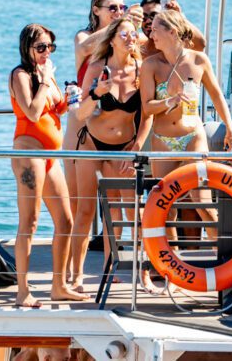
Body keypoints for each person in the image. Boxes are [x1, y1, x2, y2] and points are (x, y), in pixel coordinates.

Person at [62, 0, 143, 268]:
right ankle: (72, 271)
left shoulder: (123, 41)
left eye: (122, 8)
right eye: (112, 8)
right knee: (78, 207)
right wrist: (120, 26)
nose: (118, 13)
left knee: (116, 208)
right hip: (81, 124)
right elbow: (86, 48)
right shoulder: (85, 37)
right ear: (96, 10)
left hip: (114, 128)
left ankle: (112, 268)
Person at [70, 17, 152, 292]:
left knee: (131, 213)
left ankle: (142, 275)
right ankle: (77, 276)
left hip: (125, 148)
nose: (131, 39)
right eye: (125, 34)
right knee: (85, 210)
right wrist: (96, 93)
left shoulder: (142, 69)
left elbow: (147, 114)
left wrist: (138, 145)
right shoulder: (97, 68)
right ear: (113, 39)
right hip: (92, 144)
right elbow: (81, 114)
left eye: (133, 34)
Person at [9, 24, 87, 307]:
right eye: (41, 47)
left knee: (65, 220)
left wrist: (69, 98)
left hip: (52, 156)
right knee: (29, 222)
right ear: (27, 48)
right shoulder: (21, 75)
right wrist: (44, 81)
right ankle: (22, 290)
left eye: (50, 47)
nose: (46, 53)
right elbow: (31, 111)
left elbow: (56, 108)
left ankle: (59, 284)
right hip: (29, 153)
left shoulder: (47, 74)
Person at [141, 10, 232, 231]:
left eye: (155, 29)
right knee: (165, 207)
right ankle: (168, 263)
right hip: (163, 140)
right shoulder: (151, 65)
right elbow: (147, 107)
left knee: (202, 203)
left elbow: (217, 96)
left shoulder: (198, 60)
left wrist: (230, 129)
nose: (151, 33)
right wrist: (170, 101)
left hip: (193, 136)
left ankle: (223, 258)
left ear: (172, 32)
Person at [140, 0, 205, 58]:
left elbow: (201, 44)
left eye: (154, 16)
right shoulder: (138, 46)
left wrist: (179, 16)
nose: (148, 21)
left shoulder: (175, 50)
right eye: (143, 17)